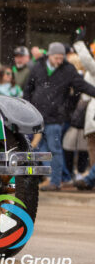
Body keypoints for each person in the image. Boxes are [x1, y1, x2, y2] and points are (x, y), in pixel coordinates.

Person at [25, 41, 95, 191]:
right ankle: (47, 177)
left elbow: (81, 85)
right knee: (38, 149)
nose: (59, 61)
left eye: (61, 57)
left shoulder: (68, 70)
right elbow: (28, 89)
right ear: (49, 55)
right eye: (56, 57)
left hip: (55, 117)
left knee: (54, 149)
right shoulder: (38, 67)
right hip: (36, 117)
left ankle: (55, 181)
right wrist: (26, 107)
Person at [73, 31, 95, 190]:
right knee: (92, 151)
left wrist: (79, 44)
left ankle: (90, 180)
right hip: (90, 119)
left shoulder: (92, 68)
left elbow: (87, 61)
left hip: (92, 118)